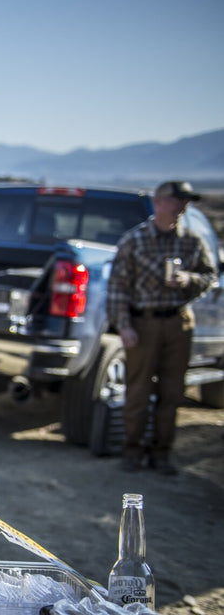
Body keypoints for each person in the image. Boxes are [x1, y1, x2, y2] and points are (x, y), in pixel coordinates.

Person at [107, 180, 218, 475]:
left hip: (178, 321)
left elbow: (209, 277)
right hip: (144, 322)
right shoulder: (135, 240)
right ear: (159, 202)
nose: (183, 206)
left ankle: (161, 453)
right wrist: (124, 326)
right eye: (177, 200)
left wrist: (187, 281)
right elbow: (117, 287)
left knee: (172, 392)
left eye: (186, 201)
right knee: (138, 392)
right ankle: (132, 451)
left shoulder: (192, 241)